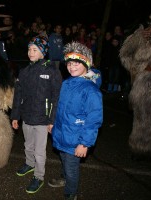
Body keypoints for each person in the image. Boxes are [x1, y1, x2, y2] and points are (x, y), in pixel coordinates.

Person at [48, 42, 103, 200]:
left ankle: (71, 192)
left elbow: (93, 120)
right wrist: (52, 123)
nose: (72, 67)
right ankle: (64, 178)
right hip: (62, 133)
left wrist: (84, 143)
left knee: (72, 167)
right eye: (69, 63)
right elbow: (58, 106)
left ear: (86, 64)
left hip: (76, 139)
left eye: (77, 63)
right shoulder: (66, 83)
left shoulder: (91, 90)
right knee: (64, 160)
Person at [11, 35, 62, 194]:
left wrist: (52, 120)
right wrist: (15, 116)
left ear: (43, 52)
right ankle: (29, 163)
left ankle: (39, 176)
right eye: (29, 49)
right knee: (28, 144)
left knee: (40, 151)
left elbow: (56, 97)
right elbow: (18, 95)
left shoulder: (51, 69)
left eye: (35, 49)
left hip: (42, 119)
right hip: (27, 117)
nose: (30, 52)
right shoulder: (24, 71)